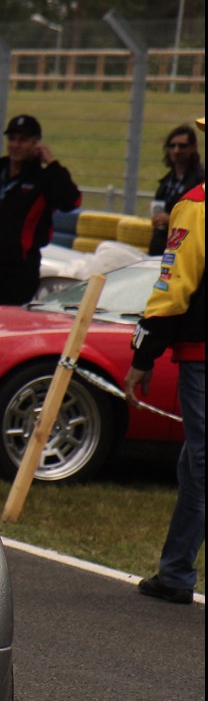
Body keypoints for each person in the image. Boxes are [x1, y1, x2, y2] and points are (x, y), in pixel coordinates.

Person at [126, 117, 204, 605]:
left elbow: (173, 288)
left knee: (202, 462)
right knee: (193, 468)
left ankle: (176, 572)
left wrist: (144, 352)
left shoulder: (196, 205)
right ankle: (176, 572)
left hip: (202, 356)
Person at [0, 114, 81, 305]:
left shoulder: (44, 180)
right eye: (12, 139)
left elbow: (71, 201)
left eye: (23, 140)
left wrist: (51, 163)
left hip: (18, 269)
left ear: (36, 145)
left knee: (9, 326)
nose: (15, 145)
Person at [151, 124, 204, 256]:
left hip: (186, 252)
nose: (176, 150)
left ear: (193, 148)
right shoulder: (166, 181)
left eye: (182, 146)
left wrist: (171, 220)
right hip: (160, 248)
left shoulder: (200, 181)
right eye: (172, 146)